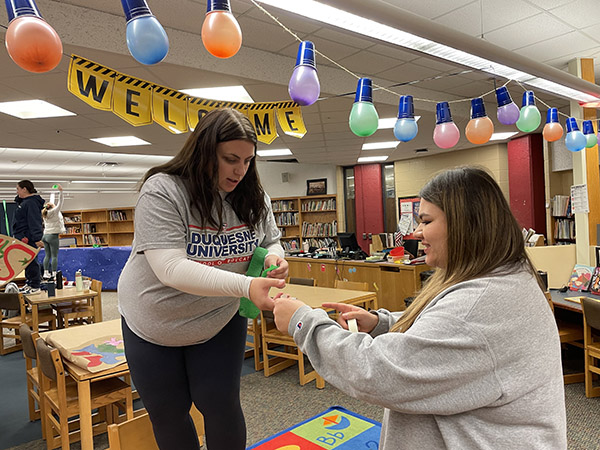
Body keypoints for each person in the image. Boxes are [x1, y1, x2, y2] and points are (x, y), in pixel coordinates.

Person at [272, 166, 567, 450]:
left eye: (426, 221)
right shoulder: (501, 277)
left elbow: (376, 373)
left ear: (466, 224)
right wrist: (381, 324)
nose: (416, 232)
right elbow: (445, 325)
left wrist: (303, 322)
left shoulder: (478, 307)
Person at [118, 108, 288, 450]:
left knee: (221, 405)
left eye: (247, 160)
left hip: (218, 319)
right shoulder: (163, 191)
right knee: (169, 412)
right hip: (154, 322)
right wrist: (245, 286)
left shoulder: (252, 196)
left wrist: (275, 256)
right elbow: (170, 268)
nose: (240, 170)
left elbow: (270, 239)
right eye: (230, 159)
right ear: (204, 152)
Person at [12, 180, 45, 294]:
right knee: (25, 261)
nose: (17, 192)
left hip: (28, 237)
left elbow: (34, 221)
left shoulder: (31, 203)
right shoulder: (25, 202)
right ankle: (30, 282)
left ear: (24, 189)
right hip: (23, 236)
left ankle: (35, 285)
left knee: (31, 261)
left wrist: (37, 238)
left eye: (18, 189)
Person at [41, 184, 66, 280]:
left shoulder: (46, 213)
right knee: (54, 256)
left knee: (47, 255)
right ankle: (55, 274)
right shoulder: (55, 211)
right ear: (53, 206)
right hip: (53, 236)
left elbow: (52, 201)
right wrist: (61, 191)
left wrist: (53, 191)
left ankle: (46, 272)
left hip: (45, 235)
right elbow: (61, 202)